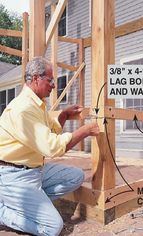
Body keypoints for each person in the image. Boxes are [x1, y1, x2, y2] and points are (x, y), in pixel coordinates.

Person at [0, 56, 99, 236]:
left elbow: (50, 131)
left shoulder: (38, 105)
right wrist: (84, 131)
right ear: (36, 78)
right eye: (50, 80)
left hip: (35, 170)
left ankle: (28, 202)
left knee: (75, 176)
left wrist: (63, 115)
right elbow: (52, 147)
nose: (54, 85)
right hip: (14, 176)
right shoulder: (23, 109)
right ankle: (4, 213)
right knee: (52, 227)